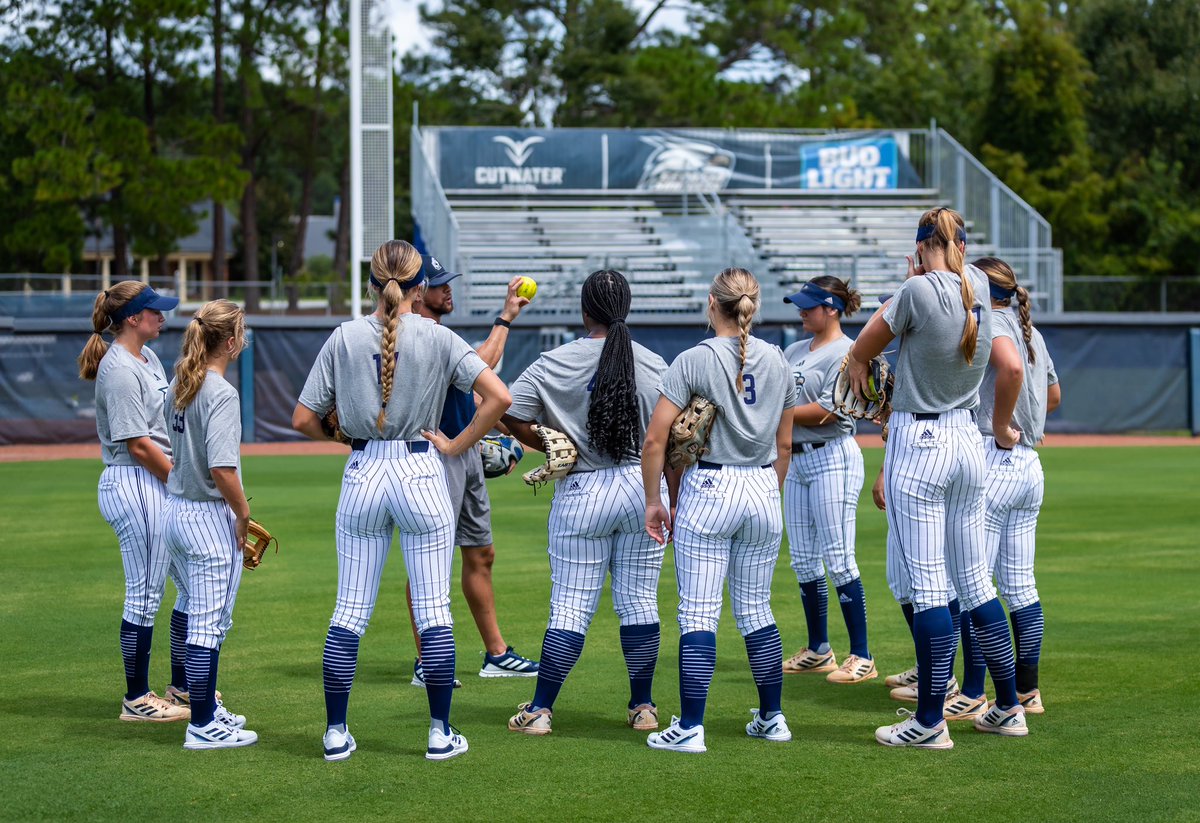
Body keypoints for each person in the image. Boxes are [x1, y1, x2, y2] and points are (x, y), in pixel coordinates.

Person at [292, 240, 511, 762]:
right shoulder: (437, 336)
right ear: (419, 287)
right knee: (434, 608)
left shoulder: (343, 336)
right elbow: (498, 398)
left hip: (365, 468)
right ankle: (439, 734)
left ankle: (335, 734)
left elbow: (303, 419)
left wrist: (347, 440)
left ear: (372, 283)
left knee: (349, 611)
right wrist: (458, 446)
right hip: (420, 469)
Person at [846, 207, 1028, 749]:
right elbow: (1007, 365)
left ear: (922, 245)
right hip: (969, 440)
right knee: (975, 583)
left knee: (928, 587)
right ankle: (1009, 706)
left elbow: (863, 346)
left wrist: (860, 362)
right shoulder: (976, 282)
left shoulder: (917, 291)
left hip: (920, 442)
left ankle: (929, 722)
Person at [500, 270, 670, 736]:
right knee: (639, 604)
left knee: (570, 606)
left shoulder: (553, 362)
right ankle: (643, 708)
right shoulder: (656, 364)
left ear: (584, 311)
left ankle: (539, 711)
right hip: (643, 488)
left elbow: (504, 410)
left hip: (582, 489)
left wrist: (541, 437)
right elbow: (673, 434)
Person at [640, 267, 796, 754]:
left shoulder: (694, 358)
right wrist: (769, 490)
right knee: (756, 610)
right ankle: (773, 718)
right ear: (756, 303)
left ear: (713, 303)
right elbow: (785, 444)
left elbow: (655, 439)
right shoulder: (779, 360)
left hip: (710, 485)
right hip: (763, 483)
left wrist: (653, 500)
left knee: (699, 614)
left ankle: (690, 727)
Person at [406, 256, 538, 685]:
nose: (448, 290)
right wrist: (505, 316)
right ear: (417, 290)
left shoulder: (444, 334)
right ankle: (427, 661)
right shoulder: (418, 336)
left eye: (448, 282)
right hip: (434, 456)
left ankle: (496, 654)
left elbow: (478, 399)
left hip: (463, 455)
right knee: (428, 561)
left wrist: (518, 434)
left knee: (481, 552)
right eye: (439, 284)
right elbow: (481, 367)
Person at [79, 281, 192, 724]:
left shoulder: (147, 358)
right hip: (135, 481)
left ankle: (182, 686)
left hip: (155, 479)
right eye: (154, 311)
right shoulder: (120, 368)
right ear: (132, 318)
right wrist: (182, 482)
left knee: (191, 584)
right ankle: (136, 698)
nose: (162, 317)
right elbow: (139, 445)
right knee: (144, 594)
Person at [162, 298, 257, 749]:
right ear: (232, 341)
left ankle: (205, 707)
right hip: (205, 514)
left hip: (175, 507)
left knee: (201, 614)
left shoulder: (181, 379)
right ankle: (201, 723)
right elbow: (223, 470)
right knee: (208, 623)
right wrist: (243, 513)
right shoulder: (220, 392)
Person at [973, 255, 1060, 716]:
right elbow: (1054, 394)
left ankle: (971, 693)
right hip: (1030, 466)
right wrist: (1026, 420)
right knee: (1020, 585)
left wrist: (1005, 423)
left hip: (997, 455)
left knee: (974, 583)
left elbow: (1011, 372)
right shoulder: (1033, 331)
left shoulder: (994, 328)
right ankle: (1028, 691)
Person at [779, 277, 875, 684]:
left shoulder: (849, 351)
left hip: (833, 456)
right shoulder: (794, 350)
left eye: (809, 305)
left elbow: (831, 411)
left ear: (832, 308)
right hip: (797, 460)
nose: (801, 311)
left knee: (838, 557)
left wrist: (774, 413)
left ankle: (862, 655)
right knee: (803, 558)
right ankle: (819, 649)